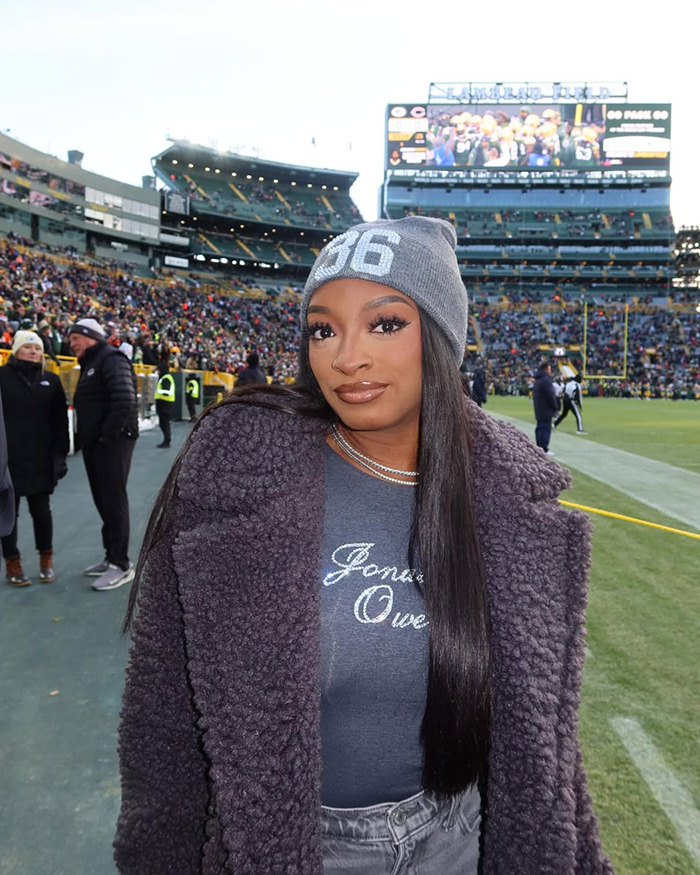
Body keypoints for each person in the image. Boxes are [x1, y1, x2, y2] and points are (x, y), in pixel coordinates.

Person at [114, 217, 613, 874]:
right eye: (323, 328)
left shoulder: (503, 492)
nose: (347, 355)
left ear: (443, 338)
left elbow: (546, 749)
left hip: (465, 835)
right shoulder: (238, 477)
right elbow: (164, 721)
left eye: (384, 324)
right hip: (301, 846)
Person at [69, 318, 139, 592]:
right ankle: (111, 555)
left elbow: (124, 399)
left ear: (91, 336)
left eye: (76, 338)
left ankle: (121, 564)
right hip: (98, 442)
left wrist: (107, 435)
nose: (71, 343)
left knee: (113, 498)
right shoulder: (93, 362)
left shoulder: (110, 358)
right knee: (103, 499)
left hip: (112, 442)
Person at [0, 330, 68, 585]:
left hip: (40, 458)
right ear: (16, 350)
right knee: (8, 514)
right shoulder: (1, 377)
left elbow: (60, 422)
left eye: (38, 348)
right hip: (7, 460)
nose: (33, 351)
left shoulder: (51, 380)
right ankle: (12, 563)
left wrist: (60, 454)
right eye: (28, 347)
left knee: (42, 512)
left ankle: (46, 560)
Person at [532, 360, 560, 455]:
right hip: (546, 408)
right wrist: (555, 407)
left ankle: (539, 447)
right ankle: (544, 449)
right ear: (546, 369)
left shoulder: (538, 379)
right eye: (549, 368)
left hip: (539, 407)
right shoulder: (545, 380)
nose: (550, 370)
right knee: (545, 428)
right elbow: (551, 395)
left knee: (540, 427)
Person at [154, 361, 176, 448]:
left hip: (164, 403)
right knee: (164, 423)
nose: (158, 371)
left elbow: (166, 391)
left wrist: (158, 393)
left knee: (164, 423)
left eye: (158, 370)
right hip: (165, 404)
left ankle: (167, 441)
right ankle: (166, 440)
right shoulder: (166, 377)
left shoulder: (166, 378)